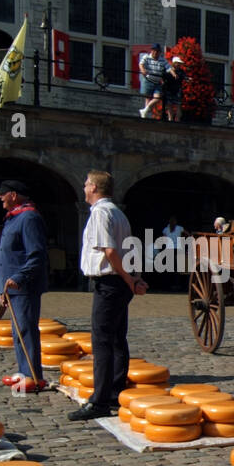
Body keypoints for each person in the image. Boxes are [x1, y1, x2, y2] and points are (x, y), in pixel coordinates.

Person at [70, 170, 149, 421]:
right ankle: (115, 392)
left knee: (101, 341)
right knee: (116, 338)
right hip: (118, 283)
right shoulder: (117, 212)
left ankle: (100, 401)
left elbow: (111, 251)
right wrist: (133, 278)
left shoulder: (101, 213)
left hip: (110, 282)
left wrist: (128, 279)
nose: (83, 188)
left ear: (94, 187)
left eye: (85, 184)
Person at [0, 180, 49, 393]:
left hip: (24, 285)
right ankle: (24, 372)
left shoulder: (29, 218)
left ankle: (33, 377)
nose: (0, 197)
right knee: (18, 331)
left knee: (26, 330)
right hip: (12, 286)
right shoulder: (14, 218)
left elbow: (36, 254)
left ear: (14, 195)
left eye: (3, 194)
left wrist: (19, 276)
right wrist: (2, 288)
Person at [138, 44, 167, 119]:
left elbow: (167, 68)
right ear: (152, 51)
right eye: (154, 50)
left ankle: (144, 111)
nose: (155, 52)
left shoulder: (162, 60)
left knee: (157, 97)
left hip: (157, 81)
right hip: (148, 79)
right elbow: (141, 64)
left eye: (157, 51)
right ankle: (145, 114)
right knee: (148, 98)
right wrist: (143, 70)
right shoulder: (147, 57)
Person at [163, 56, 185, 121]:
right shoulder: (168, 71)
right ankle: (170, 119)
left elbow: (184, 77)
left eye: (179, 63)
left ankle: (177, 119)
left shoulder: (181, 71)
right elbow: (164, 77)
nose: (179, 65)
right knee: (169, 104)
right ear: (174, 63)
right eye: (178, 63)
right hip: (169, 89)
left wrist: (187, 78)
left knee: (178, 105)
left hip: (177, 89)